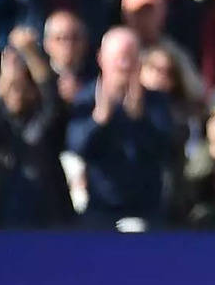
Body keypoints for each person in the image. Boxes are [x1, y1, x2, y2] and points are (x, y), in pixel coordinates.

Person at [66, 28, 174, 229]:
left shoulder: (155, 101)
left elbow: (165, 149)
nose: (124, 65)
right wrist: (98, 121)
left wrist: (139, 119)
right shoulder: (86, 99)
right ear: (101, 58)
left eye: (130, 58)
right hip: (101, 209)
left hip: (147, 209)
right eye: (118, 58)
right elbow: (76, 146)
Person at [0, 29, 73, 228]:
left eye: (23, 86)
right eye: (12, 88)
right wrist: (6, 79)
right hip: (2, 216)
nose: (17, 92)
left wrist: (30, 54)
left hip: (47, 215)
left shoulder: (43, 119)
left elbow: (51, 98)